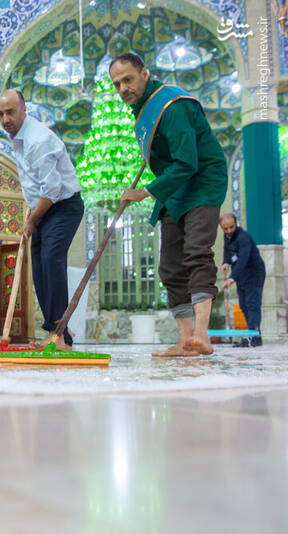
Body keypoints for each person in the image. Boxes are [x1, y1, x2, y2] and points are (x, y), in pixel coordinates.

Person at [109, 52, 227, 356]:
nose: (122, 88)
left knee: (197, 253)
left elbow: (187, 162)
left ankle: (202, 336)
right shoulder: (144, 111)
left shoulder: (171, 104)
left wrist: (147, 191)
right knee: (170, 267)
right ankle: (185, 341)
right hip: (175, 186)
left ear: (145, 74)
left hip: (201, 180)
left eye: (128, 79)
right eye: (116, 84)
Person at [0, 89, 84, 350]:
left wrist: (31, 220)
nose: (5, 119)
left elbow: (53, 189)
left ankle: (61, 336)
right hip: (44, 208)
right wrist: (33, 211)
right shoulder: (19, 138)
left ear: (24, 110)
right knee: (40, 267)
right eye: (0, 114)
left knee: (51, 260)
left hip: (64, 206)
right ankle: (56, 332)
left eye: (10, 112)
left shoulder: (37, 140)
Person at [220, 214, 266, 347]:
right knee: (243, 305)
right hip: (242, 275)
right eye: (225, 229)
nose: (228, 231)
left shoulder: (243, 238)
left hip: (254, 273)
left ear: (236, 223)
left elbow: (243, 260)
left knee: (252, 304)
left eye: (231, 227)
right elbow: (227, 251)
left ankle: (253, 337)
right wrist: (225, 262)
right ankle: (253, 336)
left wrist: (232, 278)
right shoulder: (227, 236)